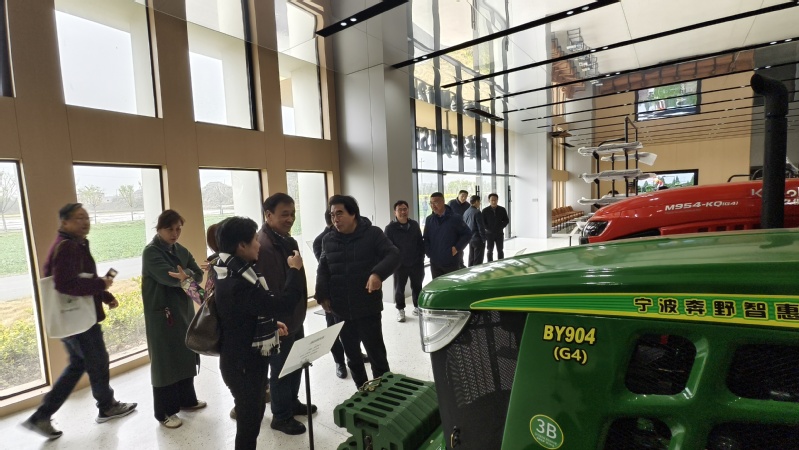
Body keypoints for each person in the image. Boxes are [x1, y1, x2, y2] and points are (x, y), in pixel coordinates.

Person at [21, 203, 136, 440]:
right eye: (78, 218)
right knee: (96, 361)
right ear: (64, 223)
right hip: (79, 321)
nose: (85, 222)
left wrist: (104, 295)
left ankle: (45, 415)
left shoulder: (75, 244)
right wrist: (101, 285)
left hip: (73, 318)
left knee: (80, 364)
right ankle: (104, 406)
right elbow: (65, 284)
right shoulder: (68, 247)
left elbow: (82, 279)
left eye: (86, 217)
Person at [214, 216, 302, 450]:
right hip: (244, 364)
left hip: (240, 357)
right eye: (254, 239)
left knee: (251, 416)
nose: (259, 244)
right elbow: (283, 304)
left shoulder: (226, 269)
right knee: (249, 423)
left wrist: (271, 324)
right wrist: (294, 270)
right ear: (241, 245)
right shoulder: (238, 283)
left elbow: (243, 314)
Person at [315, 195, 400, 389]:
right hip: (340, 309)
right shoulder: (328, 239)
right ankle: (362, 390)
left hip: (367, 306)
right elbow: (323, 268)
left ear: (353, 213)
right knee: (352, 357)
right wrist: (322, 295)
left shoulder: (373, 234)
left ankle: (385, 392)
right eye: (332, 215)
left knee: (376, 355)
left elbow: (393, 254)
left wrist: (377, 274)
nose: (335, 219)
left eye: (339, 213)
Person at [257, 193, 315, 435]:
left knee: (297, 362)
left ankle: (292, 402)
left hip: (295, 315)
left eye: (292, 214)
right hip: (281, 320)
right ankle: (280, 416)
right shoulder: (263, 246)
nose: (290, 219)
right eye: (284, 214)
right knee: (281, 369)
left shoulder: (286, 240)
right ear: (268, 215)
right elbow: (272, 290)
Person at [141, 210, 205, 429]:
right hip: (163, 315)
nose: (175, 233)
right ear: (159, 229)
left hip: (183, 311)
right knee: (165, 363)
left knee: (186, 354)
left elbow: (198, 274)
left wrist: (185, 275)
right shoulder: (151, 252)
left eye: (178, 229)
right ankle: (165, 412)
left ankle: (187, 399)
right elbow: (169, 277)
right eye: (170, 229)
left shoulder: (180, 249)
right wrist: (186, 275)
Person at [313, 209, 348, 379]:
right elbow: (324, 269)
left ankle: (354, 353)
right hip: (331, 295)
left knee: (352, 329)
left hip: (349, 294)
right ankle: (339, 362)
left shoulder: (346, 236)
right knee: (333, 331)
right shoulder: (321, 240)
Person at [384, 200, 424, 322]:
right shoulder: (390, 228)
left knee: (417, 286)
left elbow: (420, 242)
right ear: (395, 212)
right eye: (400, 210)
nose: (403, 212)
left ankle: (417, 307)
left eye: (405, 209)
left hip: (416, 263)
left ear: (408, 210)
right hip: (399, 265)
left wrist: (421, 258)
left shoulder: (414, 225)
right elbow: (387, 247)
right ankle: (400, 310)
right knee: (399, 289)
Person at [424, 192, 471, 278]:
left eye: (436, 203)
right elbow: (426, 238)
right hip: (435, 263)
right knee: (437, 285)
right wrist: (429, 253)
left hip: (451, 261)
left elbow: (467, 234)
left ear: (443, 202)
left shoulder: (455, 218)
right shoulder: (429, 219)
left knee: (451, 285)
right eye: (431, 203)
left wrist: (457, 248)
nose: (433, 206)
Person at [482, 193, 510, 262]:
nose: (494, 202)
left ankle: (501, 263)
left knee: (500, 250)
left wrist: (501, 227)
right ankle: (490, 264)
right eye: (492, 200)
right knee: (489, 250)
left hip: (499, 233)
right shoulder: (485, 210)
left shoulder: (502, 209)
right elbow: (483, 222)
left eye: (495, 200)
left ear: (497, 200)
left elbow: (506, 220)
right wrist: (489, 229)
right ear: (489, 200)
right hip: (489, 234)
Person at [462, 195, 486, 267]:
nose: (479, 203)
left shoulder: (466, 212)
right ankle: (477, 272)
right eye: (479, 202)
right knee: (478, 259)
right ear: (476, 202)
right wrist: (483, 239)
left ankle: (470, 271)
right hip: (478, 238)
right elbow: (480, 227)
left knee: (471, 258)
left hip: (470, 238)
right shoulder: (477, 212)